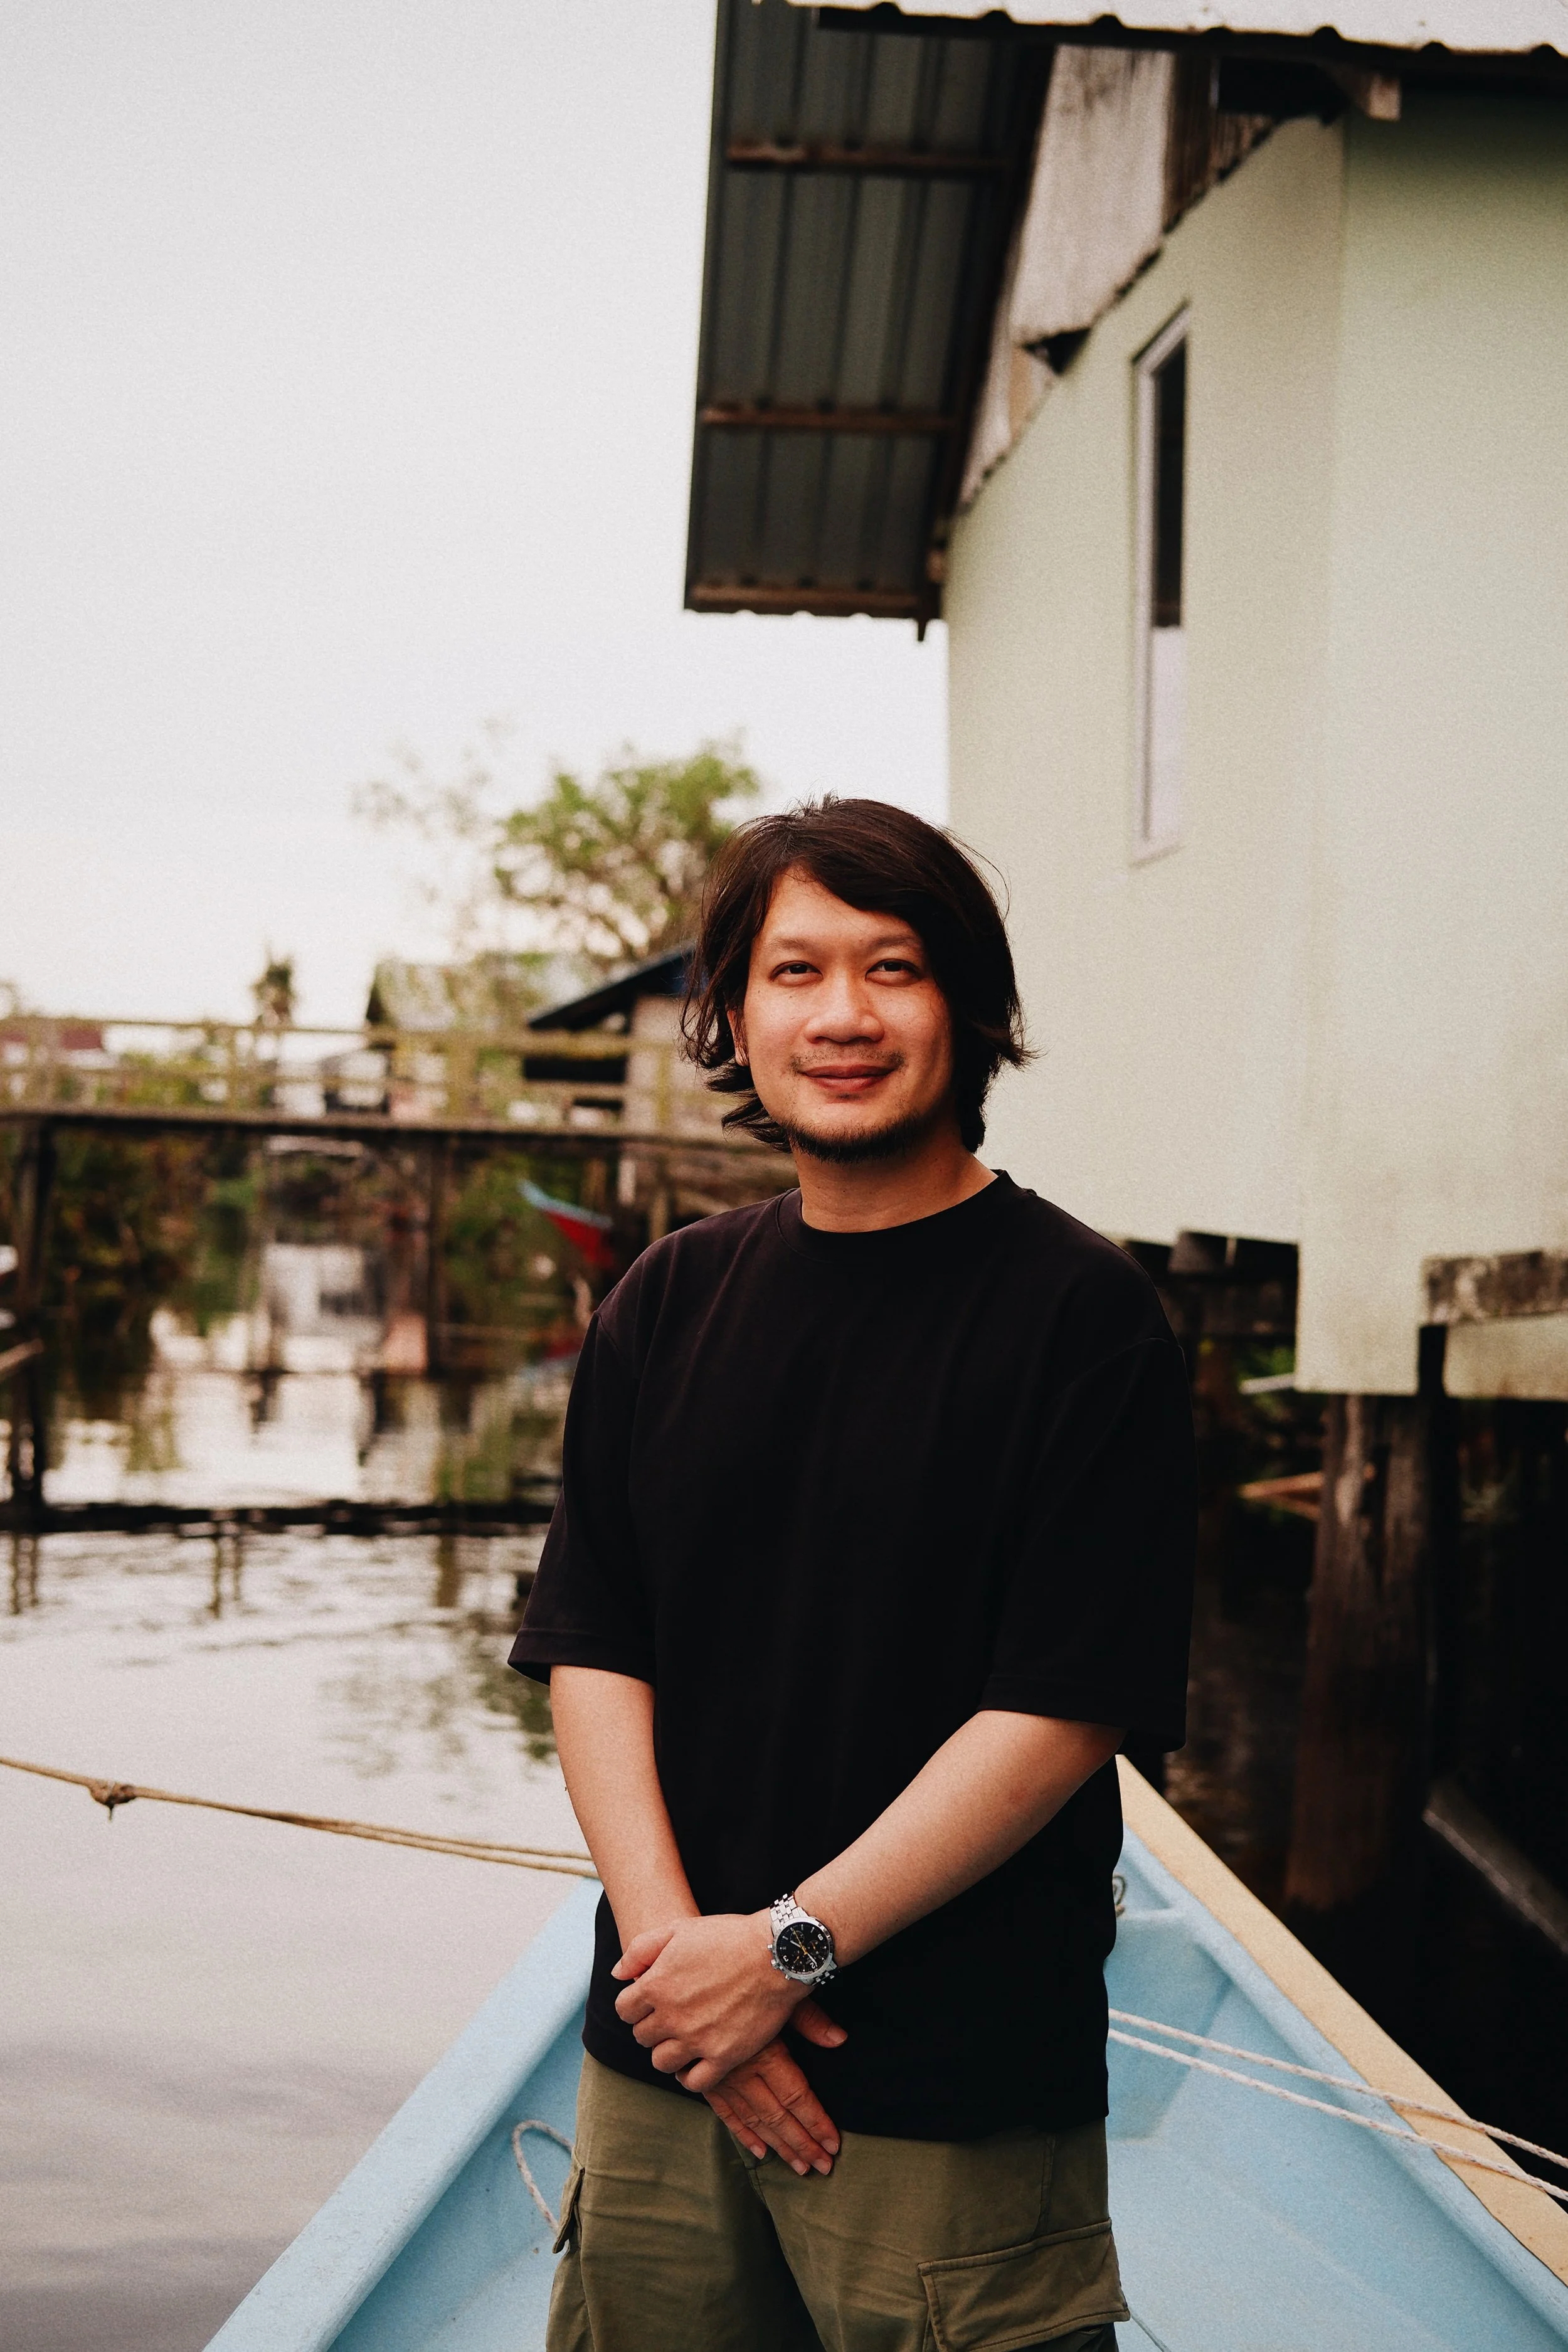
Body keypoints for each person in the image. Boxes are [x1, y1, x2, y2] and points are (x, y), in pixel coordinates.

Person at [510, 798, 1195, 2352]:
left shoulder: (1079, 1321)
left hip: (941, 2095)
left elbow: (1061, 1705)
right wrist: (689, 1976)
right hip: (662, 2068)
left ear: (965, 1005)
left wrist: (784, 1955)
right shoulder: (667, 1300)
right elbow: (593, 1646)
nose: (840, 1016)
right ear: (734, 1020)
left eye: (889, 969)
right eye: (792, 971)